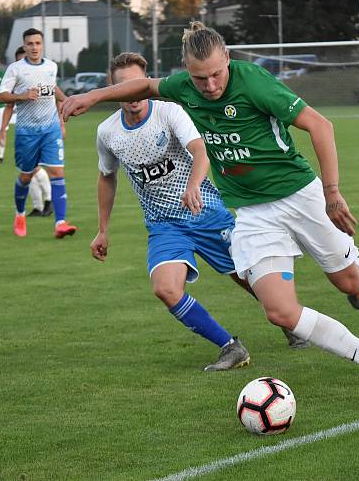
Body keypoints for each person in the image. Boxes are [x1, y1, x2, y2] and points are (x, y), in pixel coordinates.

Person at [63, 22, 359, 414]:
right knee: (279, 311)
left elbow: (319, 125)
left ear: (227, 58)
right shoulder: (183, 87)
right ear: (186, 71)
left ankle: (355, 278)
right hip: (253, 213)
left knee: (347, 282)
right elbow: (144, 86)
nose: (209, 85)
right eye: (199, 78)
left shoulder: (255, 83)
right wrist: (92, 96)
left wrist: (331, 193)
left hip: (299, 196)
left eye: (215, 74)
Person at [91, 52, 270, 371]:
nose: (132, 94)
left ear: (146, 83)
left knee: (252, 280)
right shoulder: (108, 132)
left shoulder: (169, 111)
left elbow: (200, 150)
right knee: (165, 288)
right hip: (164, 226)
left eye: (137, 85)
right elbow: (107, 176)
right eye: (123, 87)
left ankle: (290, 322)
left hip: (207, 212)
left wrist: (194, 185)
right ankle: (230, 347)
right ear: (113, 88)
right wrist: (102, 229)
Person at [0, 28, 77, 239]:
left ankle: (60, 222)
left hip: (50, 129)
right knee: (26, 176)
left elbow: (52, 88)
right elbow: (2, 97)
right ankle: (20, 214)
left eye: (38, 43)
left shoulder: (51, 66)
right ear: (24, 46)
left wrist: (66, 104)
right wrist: (22, 96)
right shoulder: (16, 69)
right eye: (30, 44)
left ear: (42, 45)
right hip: (27, 132)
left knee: (58, 173)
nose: (34, 47)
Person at [0, 46, 52, 217]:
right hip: (26, 130)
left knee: (34, 169)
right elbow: (8, 105)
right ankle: (38, 206)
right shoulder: (16, 77)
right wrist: (3, 129)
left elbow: (55, 94)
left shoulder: (45, 74)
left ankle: (49, 200)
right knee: (27, 172)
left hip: (45, 128)